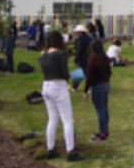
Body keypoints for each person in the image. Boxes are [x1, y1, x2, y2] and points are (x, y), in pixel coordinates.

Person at [39, 31, 85, 161]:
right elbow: (65, 73)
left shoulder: (42, 54)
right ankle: (70, 151)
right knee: (67, 120)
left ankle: (51, 148)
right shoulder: (61, 54)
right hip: (58, 86)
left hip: (46, 85)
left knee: (52, 119)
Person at [84, 39, 112, 143]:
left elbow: (89, 77)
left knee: (100, 110)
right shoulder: (105, 58)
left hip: (97, 86)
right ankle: (105, 130)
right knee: (104, 108)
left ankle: (102, 134)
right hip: (106, 84)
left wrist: (85, 90)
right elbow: (109, 72)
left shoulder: (92, 60)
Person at [71, 25, 91, 90]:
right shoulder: (90, 38)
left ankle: (74, 87)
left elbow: (78, 50)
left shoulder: (79, 40)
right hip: (90, 58)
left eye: (77, 32)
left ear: (80, 32)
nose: (76, 33)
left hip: (82, 59)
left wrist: (76, 60)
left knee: (81, 73)